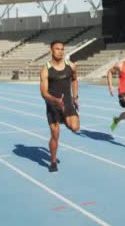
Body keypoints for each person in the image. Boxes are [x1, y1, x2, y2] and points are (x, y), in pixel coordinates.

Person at [40, 40, 80, 172]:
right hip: (53, 104)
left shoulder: (71, 66)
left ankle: (65, 119)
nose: (60, 51)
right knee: (55, 134)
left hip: (67, 102)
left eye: (62, 49)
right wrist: (56, 100)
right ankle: (52, 161)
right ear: (51, 51)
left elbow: (74, 79)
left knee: (75, 127)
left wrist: (75, 97)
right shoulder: (46, 69)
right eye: (57, 49)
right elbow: (44, 93)